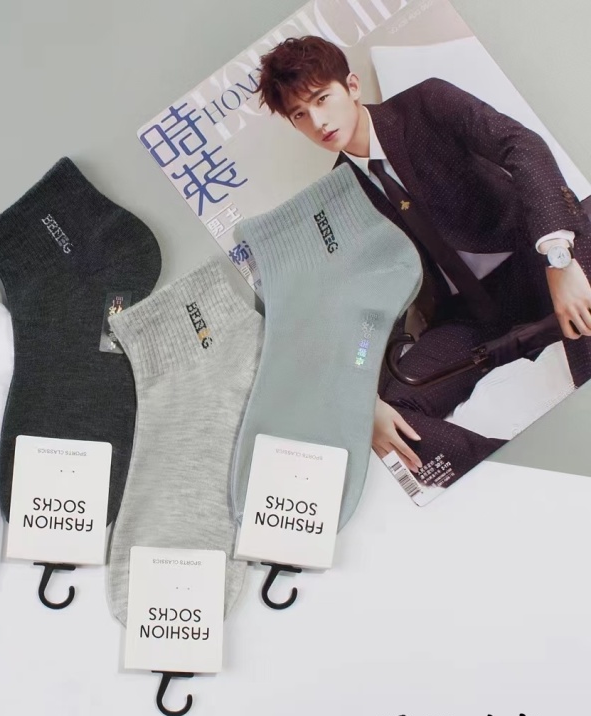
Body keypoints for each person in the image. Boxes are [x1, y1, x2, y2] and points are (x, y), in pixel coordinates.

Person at [251, 35, 591, 486]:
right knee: (387, 416)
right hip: (467, 319)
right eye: (299, 114)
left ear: (351, 86)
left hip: (535, 262)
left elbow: (521, 146)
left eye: (321, 98)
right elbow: (366, 301)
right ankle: (522, 475)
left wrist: (559, 258)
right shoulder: (339, 198)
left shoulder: (426, 103)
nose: (317, 121)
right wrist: (365, 392)